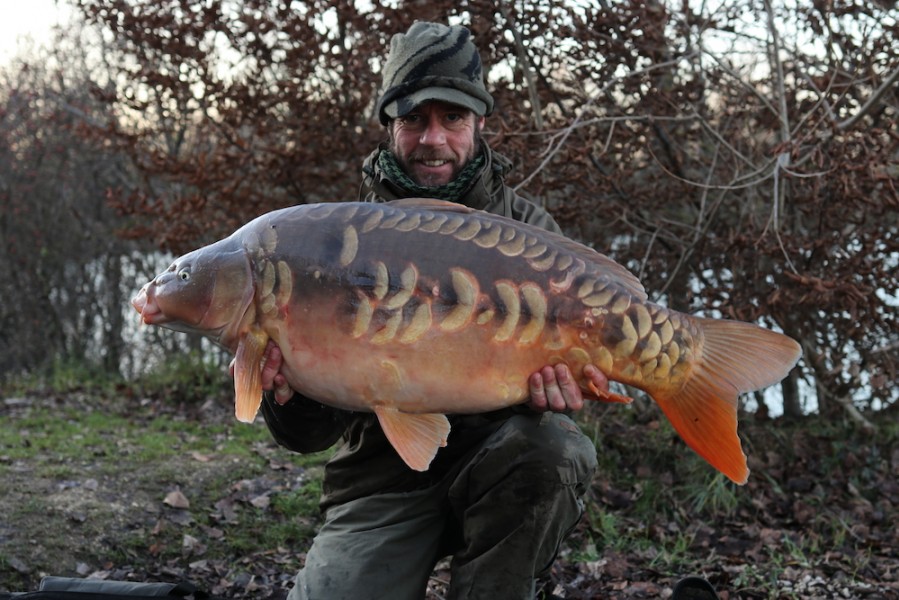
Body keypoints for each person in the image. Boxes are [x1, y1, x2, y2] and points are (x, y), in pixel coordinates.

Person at [256, 22, 609, 600]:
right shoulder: (335, 243)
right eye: (414, 119)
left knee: (556, 449)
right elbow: (308, 438)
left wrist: (562, 395)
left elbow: (573, 370)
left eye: (453, 119)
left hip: (502, 465)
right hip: (382, 481)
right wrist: (286, 393)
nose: (433, 140)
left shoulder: (529, 235)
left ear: (479, 124)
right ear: (390, 126)